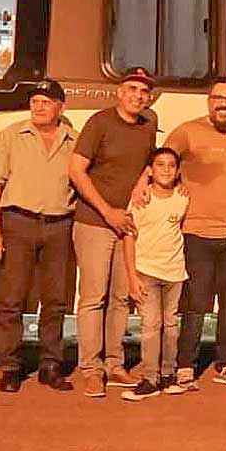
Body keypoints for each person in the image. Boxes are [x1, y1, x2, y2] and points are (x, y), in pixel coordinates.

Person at [0, 79, 77, 393]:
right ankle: (9, 365)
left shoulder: (73, 140)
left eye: (46, 102)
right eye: (35, 101)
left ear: (60, 107)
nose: (38, 107)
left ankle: (51, 363)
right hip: (17, 221)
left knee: (55, 300)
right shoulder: (12, 136)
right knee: (10, 299)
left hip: (60, 225)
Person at [164, 78, 226, 390]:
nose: (224, 104)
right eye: (219, 98)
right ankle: (185, 366)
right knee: (196, 304)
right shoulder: (188, 131)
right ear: (209, 101)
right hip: (197, 233)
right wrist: (142, 185)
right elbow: (162, 161)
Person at [68, 66, 157, 398]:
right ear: (119, 92)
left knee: (121, 297)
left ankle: (114, 364)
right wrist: (108, 212)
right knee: (94, 297)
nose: (137, 96)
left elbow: (148, 161)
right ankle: (90, 369)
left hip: (128, 225)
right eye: (131, 89)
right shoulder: (100, 122)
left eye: (143, 91)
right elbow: (76, 170)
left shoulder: (149, 125)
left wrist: (142, 182)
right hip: (94, 220)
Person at [120, 148, 190, 401]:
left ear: (178, 171)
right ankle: (150, 378)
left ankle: (169, 375)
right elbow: (129, 237)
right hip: (146, 271)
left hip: (174, 273)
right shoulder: (141, 199)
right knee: (151, 326)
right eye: (160, 164)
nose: (166, 170)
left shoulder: (183, 198)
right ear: (150, 170)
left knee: (171, 325)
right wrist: (132, 276)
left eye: (171, 165)